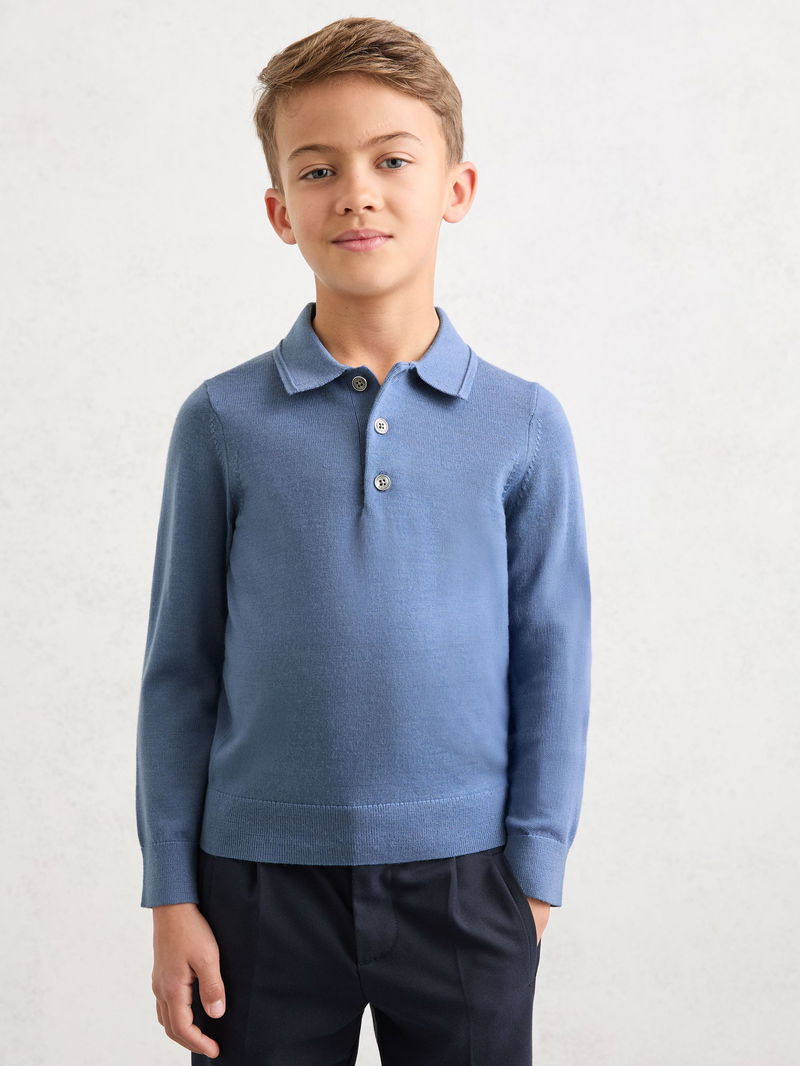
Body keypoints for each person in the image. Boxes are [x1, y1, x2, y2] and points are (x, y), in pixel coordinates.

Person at [135, 15, 592, 1066]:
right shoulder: (221, 422)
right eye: (318, 169)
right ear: (278, 210)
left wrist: (531, 875)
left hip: (468, 883)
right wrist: (171, 891)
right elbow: (180, 668)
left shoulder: (522, 425)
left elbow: (553, 660)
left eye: (392, 160)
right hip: (254, 885)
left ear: (455, 189)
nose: (357, 193)